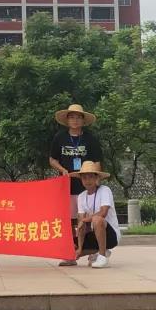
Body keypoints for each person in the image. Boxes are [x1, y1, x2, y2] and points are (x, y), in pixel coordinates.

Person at [48, 103, 103, 267]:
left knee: (87, 220)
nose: (75, 120)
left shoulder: (90, 139)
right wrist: (62, 170)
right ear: (67, 120)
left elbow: (97, 161)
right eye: (72, 117)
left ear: (83, 120)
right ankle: (70, 253)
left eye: (78, 117)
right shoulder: (60, 137)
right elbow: (52, 159)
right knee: (70, 221)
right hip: (67, 185)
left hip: (87, 186)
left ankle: (91, 252)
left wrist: (96, 182)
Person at [71, 161, 119, 269]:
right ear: (81, 180)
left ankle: (102, 256)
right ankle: (95, 253)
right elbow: (81, 224)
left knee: (97, 219)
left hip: (110, 235)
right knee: (70, 247)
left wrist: (85, 220)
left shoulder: (104, 190)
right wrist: (80, 248)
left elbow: (103, 212)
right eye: (84, 178)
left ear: (96, 178)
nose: (87, 181)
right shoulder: (81, 196)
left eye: (90, 177)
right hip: (92, 234)